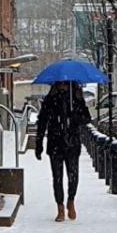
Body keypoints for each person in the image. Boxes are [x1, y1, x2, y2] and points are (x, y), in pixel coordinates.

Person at [35, 80, 92, 222]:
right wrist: (39, 143)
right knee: (57, 176)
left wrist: (75, 117)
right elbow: (42, 121)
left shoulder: (77, 99)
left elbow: (87, 118)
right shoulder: (50, 99)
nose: (63, 86)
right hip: (55, 143)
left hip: (72, 143)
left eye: (65, 84)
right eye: (60, 84)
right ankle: (60, 206)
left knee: (73, 175)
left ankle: (71, 200)